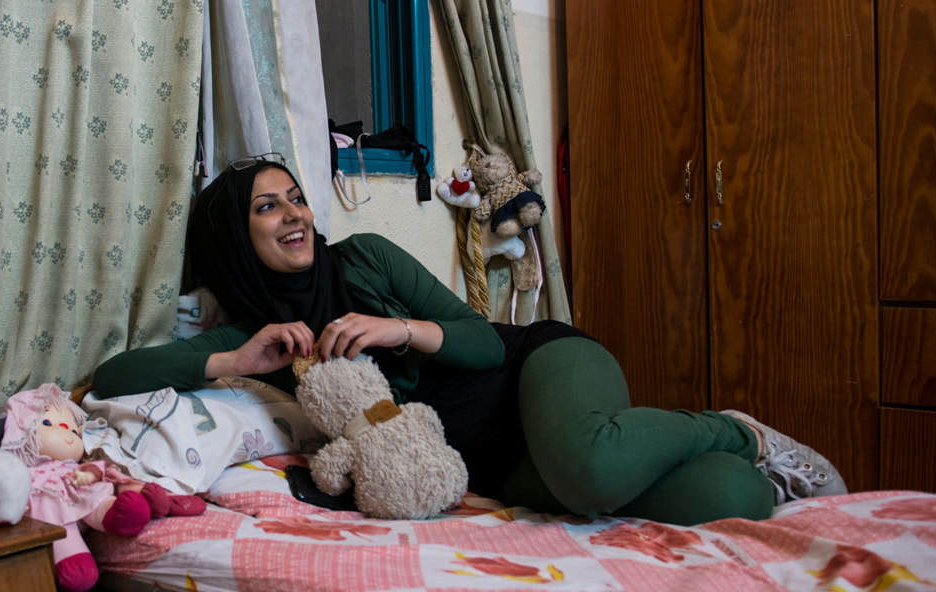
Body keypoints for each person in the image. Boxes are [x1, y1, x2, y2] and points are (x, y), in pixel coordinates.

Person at [93, 157, 846, 525]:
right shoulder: (261, 339)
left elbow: (484, 343)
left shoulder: (364, 258)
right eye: (267, 205)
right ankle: (742, 462)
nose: (293, 213)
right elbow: (114, 376)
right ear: (235, 234)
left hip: (534, 368)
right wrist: (230, 360)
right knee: (731, 498)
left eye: (295, 196)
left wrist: (401, 330)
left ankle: (733, 427)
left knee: (588, 464)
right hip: (492, 459)